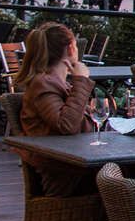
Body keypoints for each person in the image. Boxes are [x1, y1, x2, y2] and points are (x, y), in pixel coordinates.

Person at [14, 23, 100, 197]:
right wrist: (81, 80)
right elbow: (66, 125)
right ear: (70, 48)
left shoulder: (56, 82)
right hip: (66, 172)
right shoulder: (43, 83)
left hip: (76, 162)